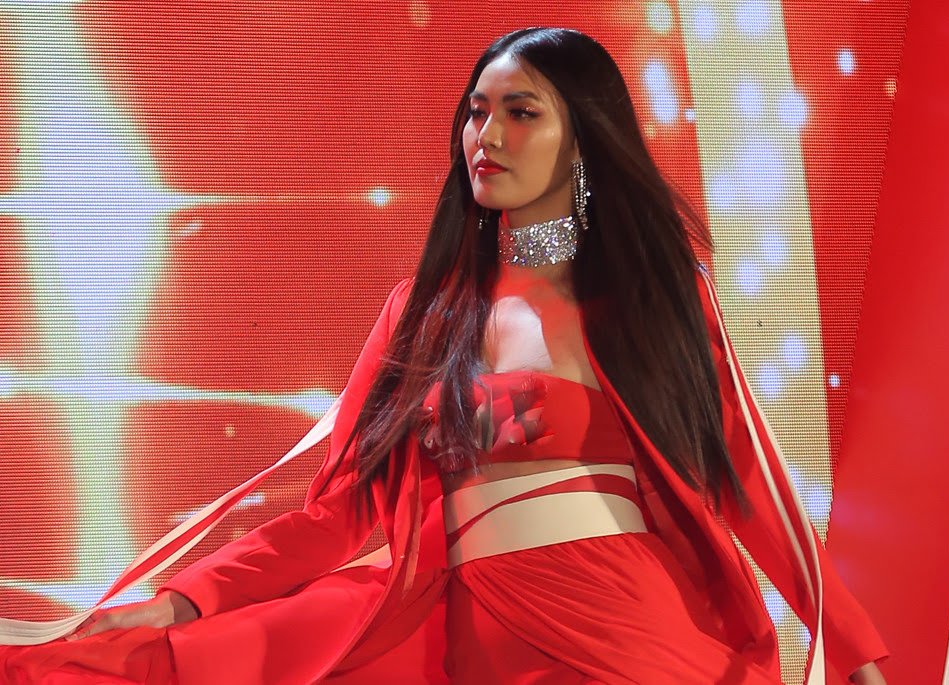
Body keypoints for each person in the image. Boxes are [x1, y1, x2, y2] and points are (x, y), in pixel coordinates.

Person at [0, 27, 888, 685]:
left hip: (627, 635)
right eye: (476, 112)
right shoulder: (420, 316)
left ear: (584, 139)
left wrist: (855, 653)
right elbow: (337, 513)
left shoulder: (655, 296)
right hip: (464, 633)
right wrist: (187, 597)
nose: (485, 136)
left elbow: (749, 479)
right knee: (152, 661)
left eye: (521, 112)